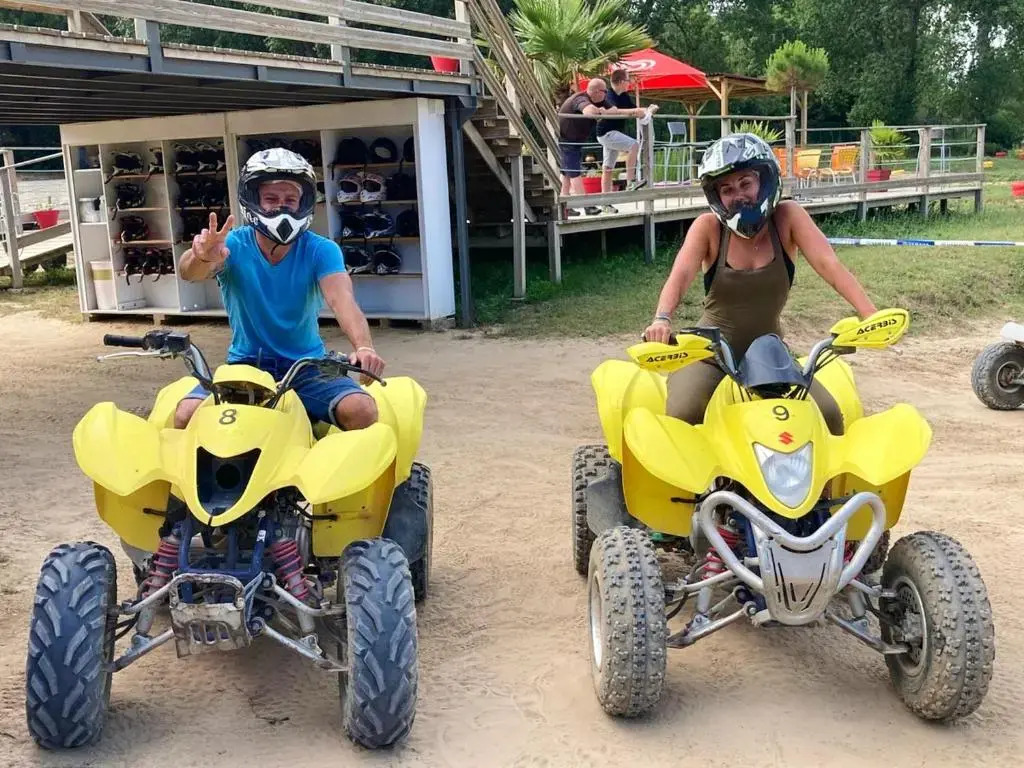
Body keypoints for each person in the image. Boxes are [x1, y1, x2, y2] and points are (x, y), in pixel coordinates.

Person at [642, 133, 877, 434]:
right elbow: (680, 276)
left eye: (745, 183)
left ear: (764, 181)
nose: (738, 195)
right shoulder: (708, 227)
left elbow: (829, 265)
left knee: (829, 417)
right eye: (727, 189)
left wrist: (870, 316)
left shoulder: (788, 217)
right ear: (716, 197)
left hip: (771, 354)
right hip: (711, 354)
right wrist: (662, 319)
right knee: (683, 414)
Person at [173, 147, 384, 431]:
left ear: (303, 203)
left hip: (307, 365)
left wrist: (364, 346)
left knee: (361, 410)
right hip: (245, 365)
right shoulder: (232, 244)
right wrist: (202, 257)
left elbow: (342, 299)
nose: (281, 207)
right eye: (271, 199)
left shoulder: (320, 249)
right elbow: (189, 273)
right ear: (254, 200)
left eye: (290, 200)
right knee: (186, 415)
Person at [558, 77, 647, 217]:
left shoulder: (600, 100)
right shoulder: (581, 99)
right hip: (567, 140)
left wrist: (635, 111)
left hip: (576, 140)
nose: (607, 94)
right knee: (574, 173)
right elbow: (588, 112)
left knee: (566, 173)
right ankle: (587, 206)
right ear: (596, 92)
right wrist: (600, 111)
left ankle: (564, 207)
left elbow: (613, 110)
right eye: (604, 91)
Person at [596, 69, 657, 213]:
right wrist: (634, 112)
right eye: (628, 81)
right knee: (634, 145)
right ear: (621, 82)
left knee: (608, 168)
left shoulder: (623, 95)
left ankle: (605, 203)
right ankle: (630, 181)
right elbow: (615, 111)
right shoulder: (609, 95)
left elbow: (633, 109)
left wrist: (647, 109)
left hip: (614, 133)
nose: (629, 83)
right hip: (606, 133)